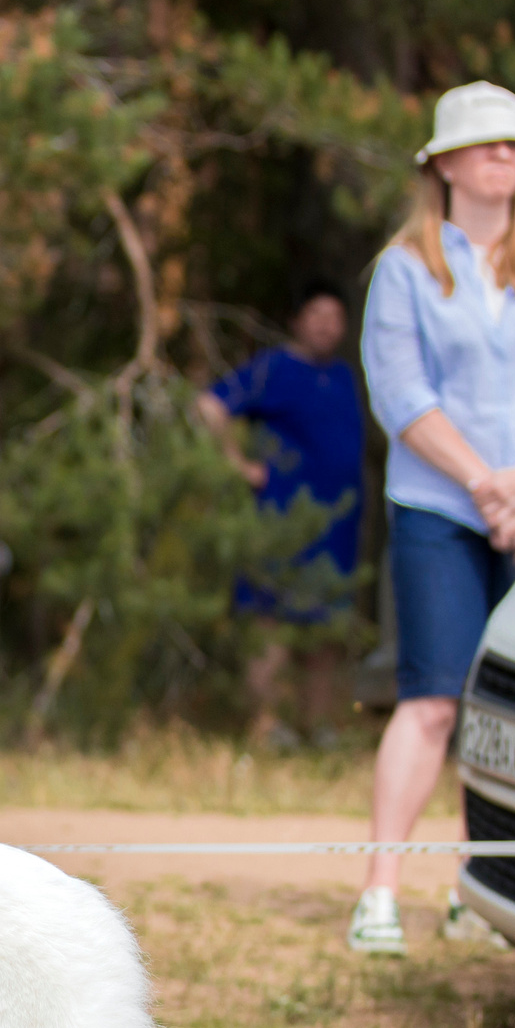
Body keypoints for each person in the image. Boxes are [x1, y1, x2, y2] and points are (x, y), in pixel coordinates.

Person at [352, 80, 515, 954]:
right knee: (432, 700)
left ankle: (482, 890)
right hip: (440, 510)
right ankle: (380, 892)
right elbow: (402, 395)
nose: (504, 156)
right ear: (445, 165)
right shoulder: (404, 269)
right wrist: (485, 488)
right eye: (487, 143)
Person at [193, 281, 366, 746]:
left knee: (326, 629)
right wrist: (239, 465)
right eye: (317, 315)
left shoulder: (344, 376)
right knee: (269, 623)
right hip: (280, 521)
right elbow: (209, 406)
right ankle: (266, 726)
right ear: (297, 320)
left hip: (336, 527)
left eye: (335, 318)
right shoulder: (274, 368)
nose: (327, 326)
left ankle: (319, 726)